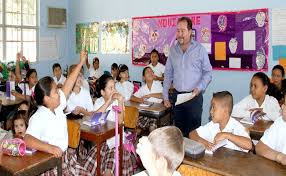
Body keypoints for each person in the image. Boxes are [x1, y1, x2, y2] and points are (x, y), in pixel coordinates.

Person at [24, 51, 94, 175]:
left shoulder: (57, 106)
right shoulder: (39, 116)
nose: (59, 92)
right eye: (56, 91)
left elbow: (68, 84)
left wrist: (81, 62)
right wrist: (49, 148)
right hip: (51, 164)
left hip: (66, 158)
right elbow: (28, 139)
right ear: (47, 98)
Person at [163, 16, 212, 137]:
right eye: (178, 31)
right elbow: (168, 74)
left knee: (194, 134)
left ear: (190, 32)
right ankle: (181, 156)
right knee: (178, 134)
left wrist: (199, 87)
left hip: (193, 97)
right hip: (177, 97)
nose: (179, 34)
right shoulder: (173, 51)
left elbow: (208, 73)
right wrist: (165, 97)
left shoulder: (199, 49)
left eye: (182, 31)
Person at [93, 74, 134, 175]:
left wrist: (119, 101)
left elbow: (120, 122)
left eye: (114, 87)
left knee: (108, 170)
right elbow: (94, 120)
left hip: (117, 141)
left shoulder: (117, 102)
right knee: (92, 168)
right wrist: (108, 102)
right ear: (102, 92)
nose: (114, 90)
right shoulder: (99, 102)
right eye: (110, 88)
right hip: (102, 141)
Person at [256, 91, 286, 165]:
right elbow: (259, 148)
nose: (282, 107)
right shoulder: (281, 122)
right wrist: (279, 157)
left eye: (285, 104)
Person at [130, 67, 163, 132]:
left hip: (157, 114)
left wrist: (150, 95)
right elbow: (132, 97)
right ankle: (139, 140)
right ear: (144, 77)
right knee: (135, 123)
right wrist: (140, 100)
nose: (150, 73)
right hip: (147, 113)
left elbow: (163, 95)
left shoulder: (158, 84)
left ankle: (151, 140)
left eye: (151, 72)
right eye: (148, 72)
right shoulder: (143, 88)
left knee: (152, 127)